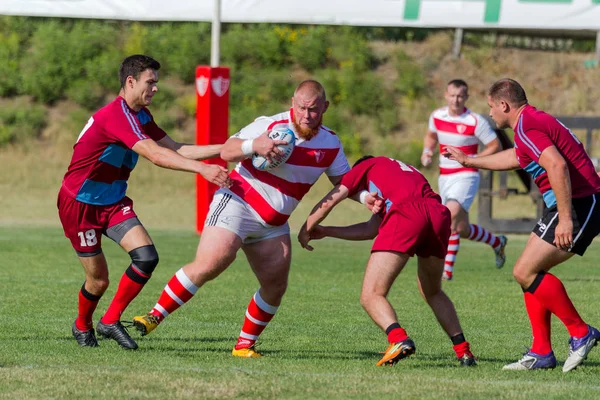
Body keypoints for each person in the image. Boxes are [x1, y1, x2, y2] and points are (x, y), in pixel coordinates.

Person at [133, 80, 382, 357]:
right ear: (292, 103)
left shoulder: (331, 143)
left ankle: (243, 345)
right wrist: (255, 145)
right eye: (301, 108)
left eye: (313, 109)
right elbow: (227, 151)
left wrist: (363, 198)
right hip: (238, 202)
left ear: (325, 107)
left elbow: (342, 182)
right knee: (212, 263)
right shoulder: (270, 125)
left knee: (275, 285)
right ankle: (154, 315)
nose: (306, 115)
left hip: (274, 224)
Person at [58, 54, 231, 350]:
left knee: (147, 257)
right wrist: (203, 170)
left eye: (156, 83)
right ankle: (81, 324)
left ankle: (110, 321)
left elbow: (175, 148)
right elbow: (156, 155)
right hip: (80, 204)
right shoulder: (115, 116)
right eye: (151, 82)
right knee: (98, 282)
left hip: (112, 202)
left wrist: (228, 149)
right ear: (131, 82)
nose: (156, 88)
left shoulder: (140, 116)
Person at [443, 78, 600, 372]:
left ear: (504, 105)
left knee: (525, 271)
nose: (490, 114)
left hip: (580, 203)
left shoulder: (527, 125)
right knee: (527, 272)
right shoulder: (529, 123)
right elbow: (516, 157)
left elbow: (556, 165)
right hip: (572, 202)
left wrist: (565, 218)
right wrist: (469, 160)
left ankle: (580, 333)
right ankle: (541, 352)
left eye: (491, 108)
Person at [298, 155, 477, 367]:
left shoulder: (365, 166)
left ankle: (398, 339)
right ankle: (464, 352)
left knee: (371, 294)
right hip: (438, 214)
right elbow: (370, 229)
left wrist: (306, 227)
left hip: (407, 214)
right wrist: (326, 231)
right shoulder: (401, 169)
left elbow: (332, 198)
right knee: (433, 291)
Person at [422, 79, 507, 280]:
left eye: (460, 96)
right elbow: (431, 136)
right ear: (446, 95)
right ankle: (497, 242)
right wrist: (427, 151)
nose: (456, 99)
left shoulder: (475, 121)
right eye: (452, 95)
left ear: (466, 97)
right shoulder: (437, 116)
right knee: (461, 228)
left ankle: (446, 271)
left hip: (466, 175)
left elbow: (495, 145)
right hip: (445, 176)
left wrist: (473, 160)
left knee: (450, 214)